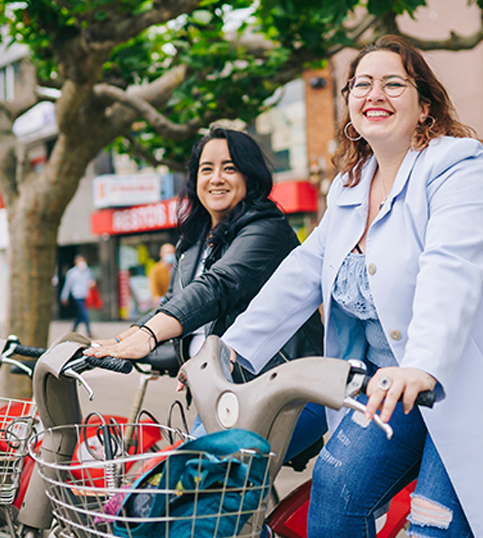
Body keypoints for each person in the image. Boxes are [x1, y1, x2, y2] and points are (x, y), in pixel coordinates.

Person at [215, 36, 483, 538]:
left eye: (393, 83)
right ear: (351, 107)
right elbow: (303, 269)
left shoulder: (459, 166)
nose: (374, 93)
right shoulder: (350, 185)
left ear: (425, 107)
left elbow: (452, 267)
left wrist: (422, 365)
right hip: (389, 385)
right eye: (361, 84)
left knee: (433, 524)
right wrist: (230, 349)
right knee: (336, 486)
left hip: (469, 382)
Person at [85, 127, 324, 458]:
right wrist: (127, 341)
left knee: (184, 484)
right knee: (185, 488)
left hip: (281, 392)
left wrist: (149, 335)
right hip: (224, 395)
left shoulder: (267, 230)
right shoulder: (194, 244)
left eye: (229, 167)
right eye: (206, 168)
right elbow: (174, 306)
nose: (216, 178)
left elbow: (217, 287)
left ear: (250, 176)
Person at [61, 255, 96, 337]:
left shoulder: (88, 271)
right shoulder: (72, 272)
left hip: (86, 295)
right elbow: (67, 285)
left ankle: (74, 329)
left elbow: (92, 280)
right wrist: (64, 296)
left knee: (80, 314)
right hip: (77, 295)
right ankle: (88, 331)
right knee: (84, 313)